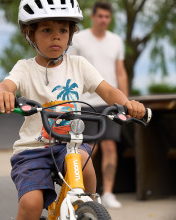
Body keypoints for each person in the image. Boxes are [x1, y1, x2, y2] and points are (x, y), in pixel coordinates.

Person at [0, 0, 144, 219]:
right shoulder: (24, 68)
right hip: (33, 150)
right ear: (30, 34)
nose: (57, 36)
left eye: (63, 30)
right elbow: (6, 85)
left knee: (84, 161)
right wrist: (2, 93)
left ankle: (88, 207)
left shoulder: (78, 65)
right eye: (47, 30)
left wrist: (128, 103)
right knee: (31, 202)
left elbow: (108, 91)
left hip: (69, 144)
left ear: (71, 34)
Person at [68, 1, 128, 209]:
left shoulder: (116, 41)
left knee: (110, 146)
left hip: (110, 104)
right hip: (85, 104)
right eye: (100, 16)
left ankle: (109, 192)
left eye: (107, 17)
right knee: (86, 150)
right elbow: (69, 69)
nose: (103, 20)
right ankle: (79, 191)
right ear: (93, 17)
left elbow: (120, 71)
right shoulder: (78, 38)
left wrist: (126, 103)